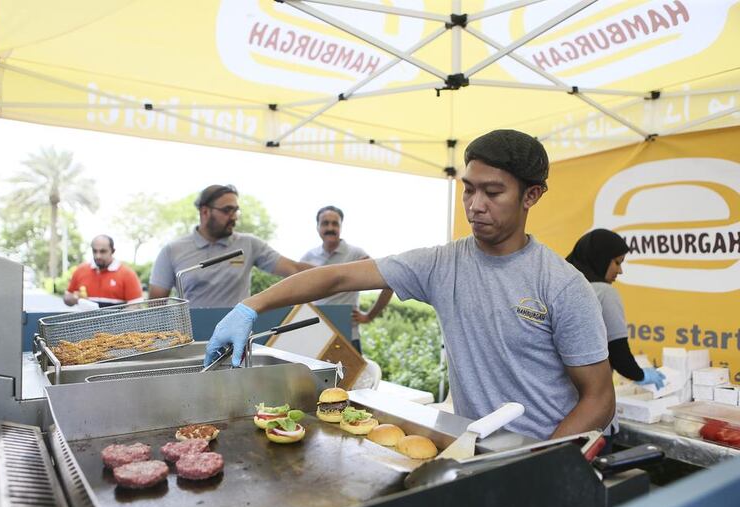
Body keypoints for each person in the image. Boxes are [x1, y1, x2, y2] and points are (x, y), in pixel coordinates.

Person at [205, 129, 615, 441]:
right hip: (473, 445)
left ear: (532, 196)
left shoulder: (561, 286)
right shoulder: (441, 264)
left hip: (543, 451)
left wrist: (541, 460)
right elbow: (340, 274)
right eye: (469, 190)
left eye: (493, 192)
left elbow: (599, 398)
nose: (475, 205)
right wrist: (249, 307)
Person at [149, 184, 312, 307]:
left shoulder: (249, 244)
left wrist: (336, 273)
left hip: (235, 340)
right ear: (205, 212)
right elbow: (156, 305)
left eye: (236, 211)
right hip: (190, 340)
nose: (234, 217)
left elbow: (294, 269)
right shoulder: (172, 250)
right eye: (227, 210)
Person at [566, 229, 667, 389]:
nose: (620, 271)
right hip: (587, 388)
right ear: (600, 258)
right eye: (617, 262)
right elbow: (617, 350)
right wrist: (640, 375)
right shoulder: (604, 292)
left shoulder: (563, 285)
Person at [301, 205, 393, 353]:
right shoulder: (308, 258)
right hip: (316, 336)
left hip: (348, 336)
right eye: (325, 223)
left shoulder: (356, 255)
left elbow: (389, 281)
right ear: (317, 227)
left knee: (351, 377)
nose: (330, 227)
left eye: (335, 223)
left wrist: (369, 316)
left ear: (341, 227)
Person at [64, 235, 143, 308]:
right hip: (85, 322)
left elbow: (136, 305)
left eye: (103, 251)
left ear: (113, 251)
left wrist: (117, 320)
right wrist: (75, 299)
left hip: (116, 323)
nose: (98, 256)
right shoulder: (80, 270)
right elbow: (67, 297)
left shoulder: (127, 274)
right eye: (95, 251)